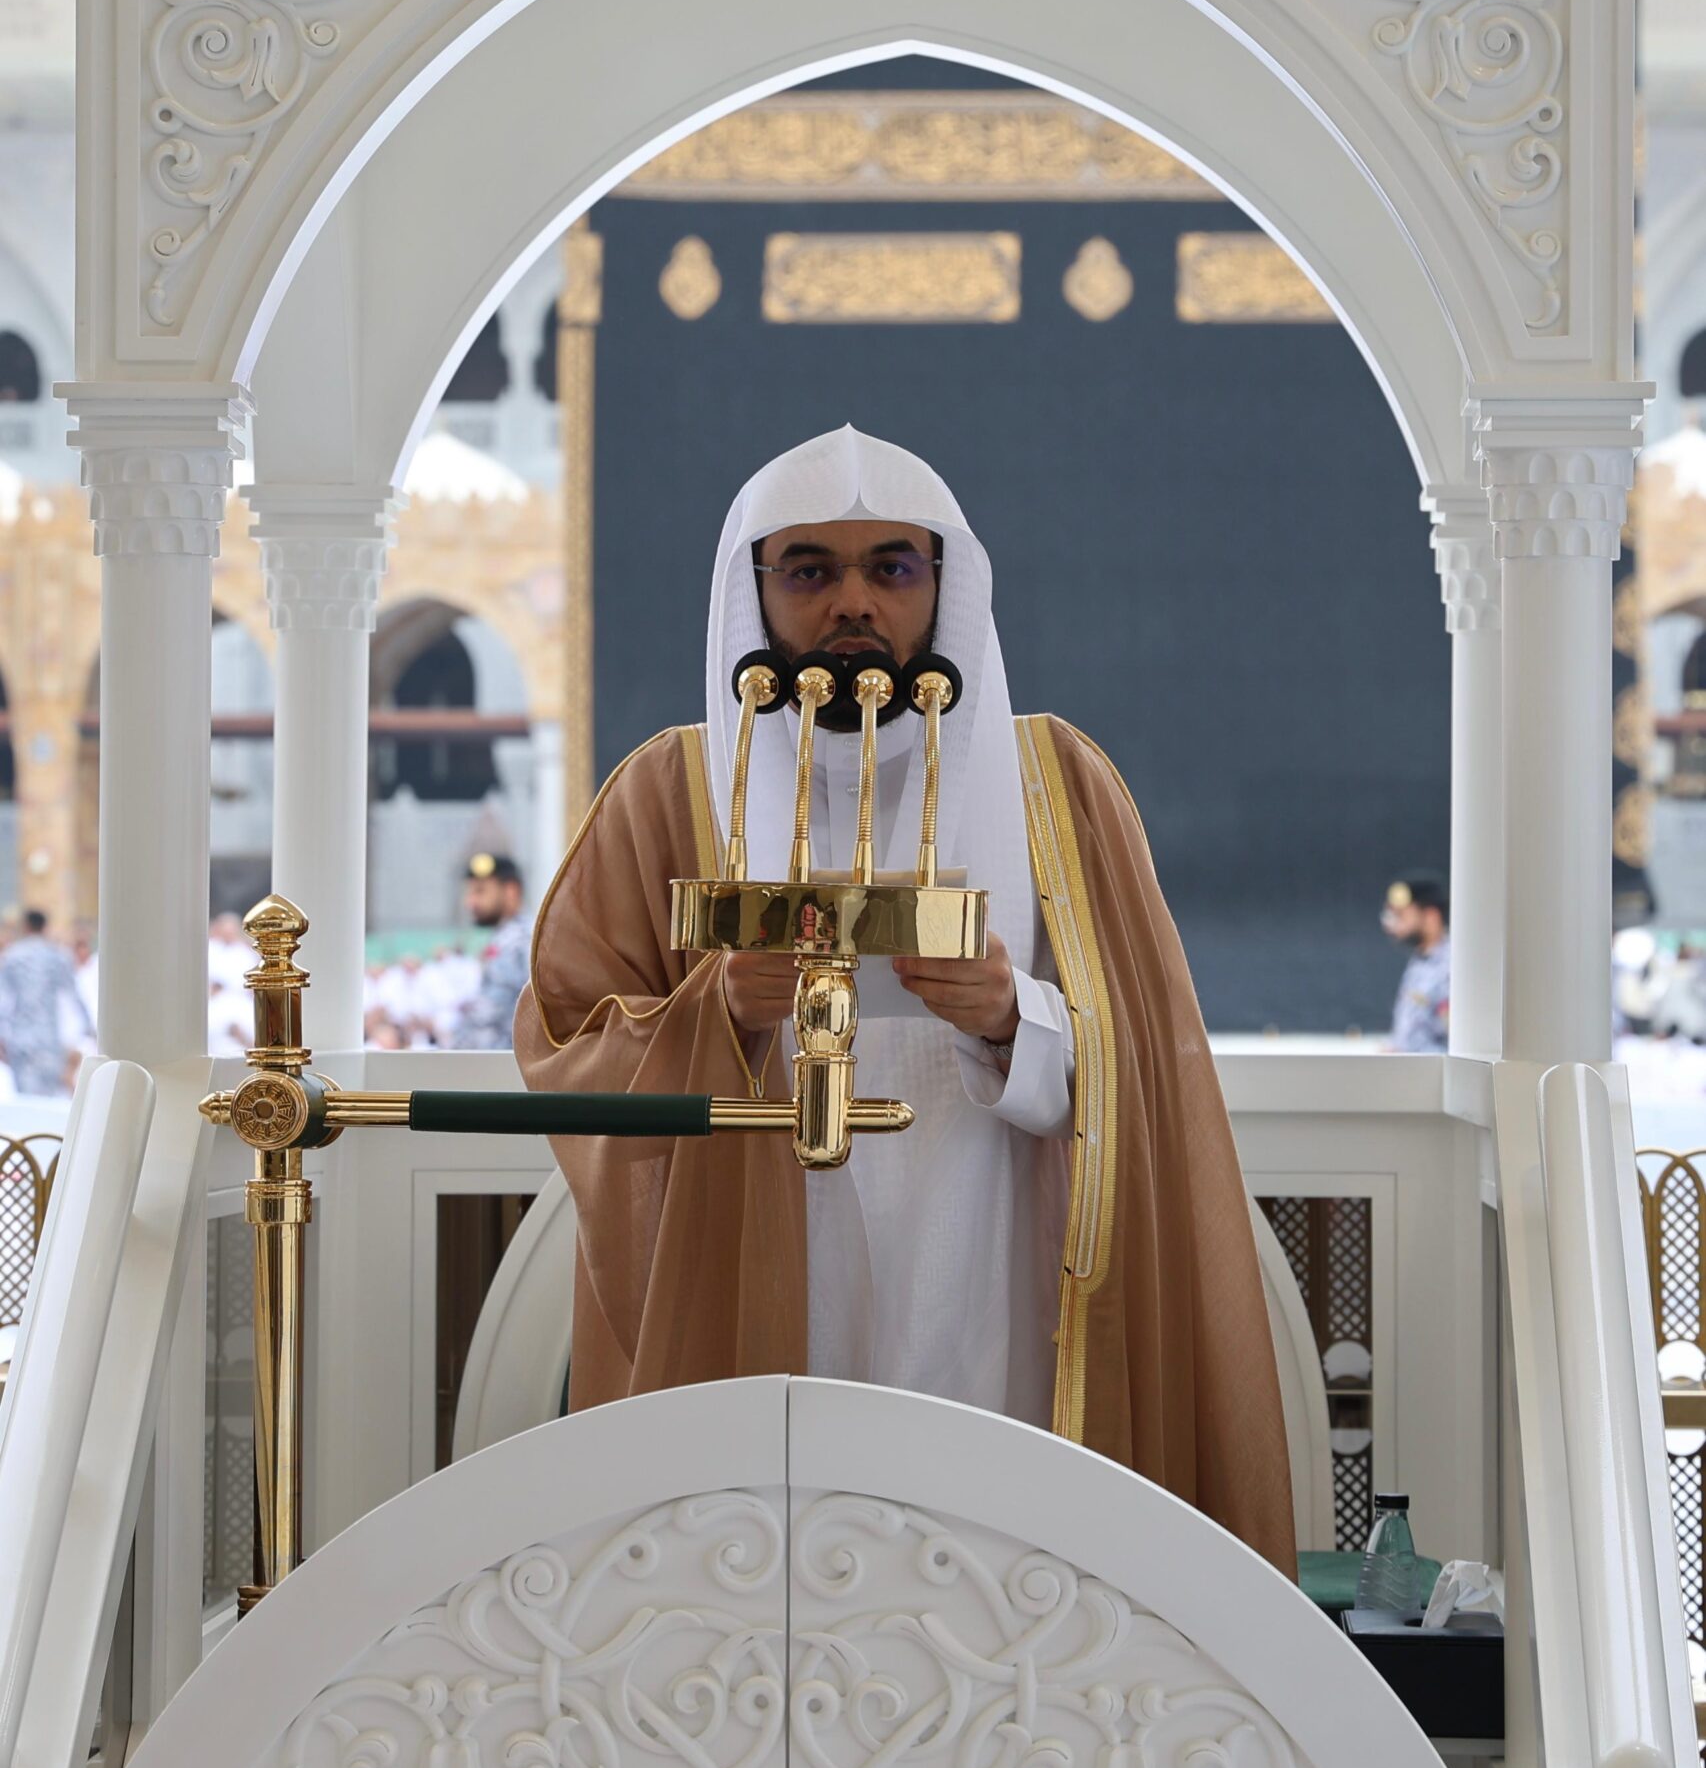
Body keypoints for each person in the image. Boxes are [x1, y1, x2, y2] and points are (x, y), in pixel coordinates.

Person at [517, 425, 1295, 1574]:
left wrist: (1007, 1018)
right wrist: (714, 1013)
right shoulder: (663, 791)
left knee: (985, 1575)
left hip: (994, 1258)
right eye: (808, 570)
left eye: (890, 568)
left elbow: (1152, 1070)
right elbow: (562, 1052)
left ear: (942, 584)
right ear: (756, 592)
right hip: (761, 1263)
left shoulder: (1056, 785)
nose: (850, 605)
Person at [0, 909, 93, 1096]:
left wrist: (2, 1036)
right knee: (49, 1099)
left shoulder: (12, 957)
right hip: (51, 1039)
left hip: (21, 1041)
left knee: (27, 1100)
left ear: (25, 927)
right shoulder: (57, 956)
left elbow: (4, 1002)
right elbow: (73, 997)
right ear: (44, 927)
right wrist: (88, 1030)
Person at [451, 852, 533, 1049]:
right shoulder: (505, 938)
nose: (469, 902)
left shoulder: (525, 941)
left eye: (480, 891)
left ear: (511, 891)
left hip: (504, 1069)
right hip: (488, 1067)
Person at [1382, 874, 1451, 1053]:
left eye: (1402, 914)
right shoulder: (1420, 961)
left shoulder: (1453, 967)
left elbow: (1457, 1049)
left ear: (1431, 916)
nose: (1395, 923)